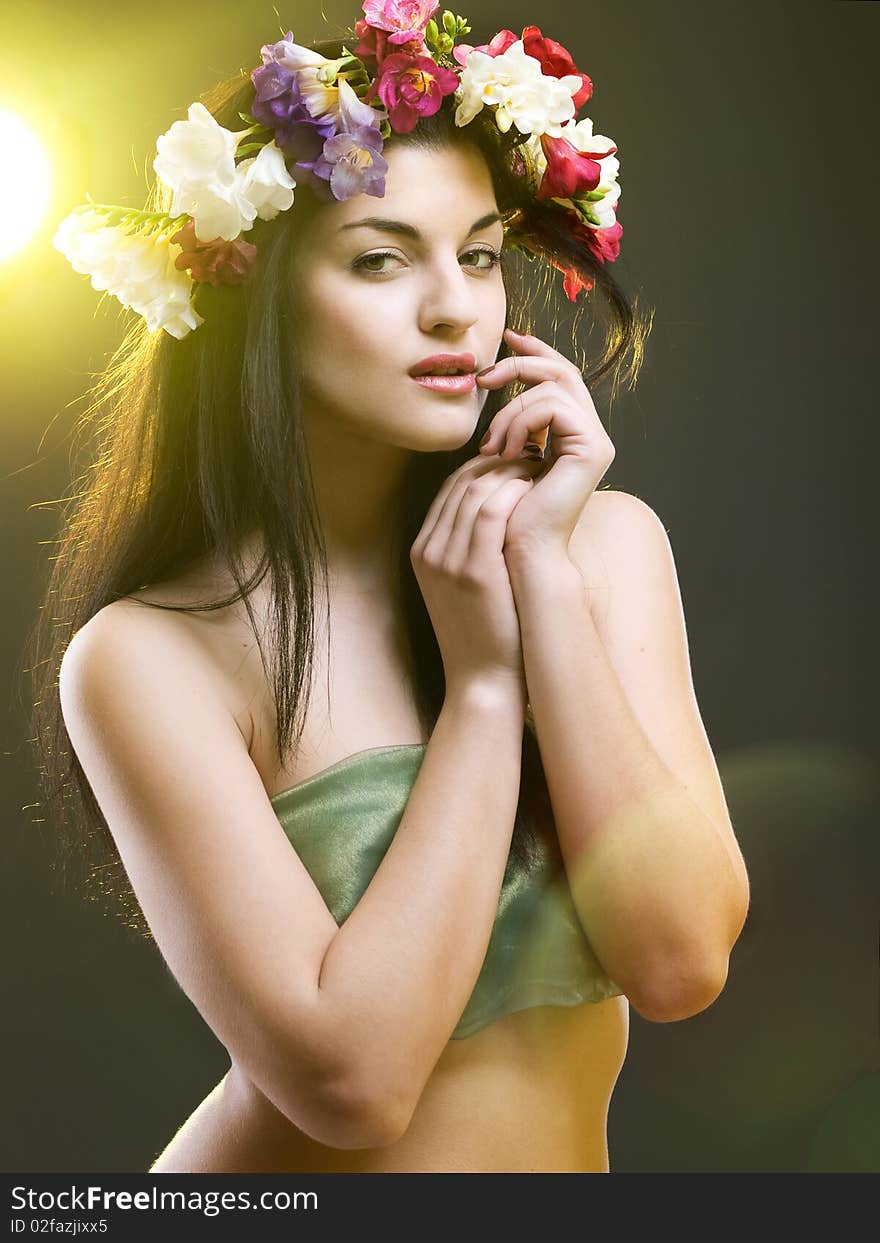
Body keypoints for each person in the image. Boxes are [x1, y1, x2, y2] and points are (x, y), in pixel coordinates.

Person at [30, 6, 750, 1173]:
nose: (454, 308)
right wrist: (479, 690)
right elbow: (351, 1087)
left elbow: (680, 964)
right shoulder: (150, 654)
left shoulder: (603, 550)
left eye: (475, 254)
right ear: (251, 296)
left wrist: (542, 588)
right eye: (379, 258)